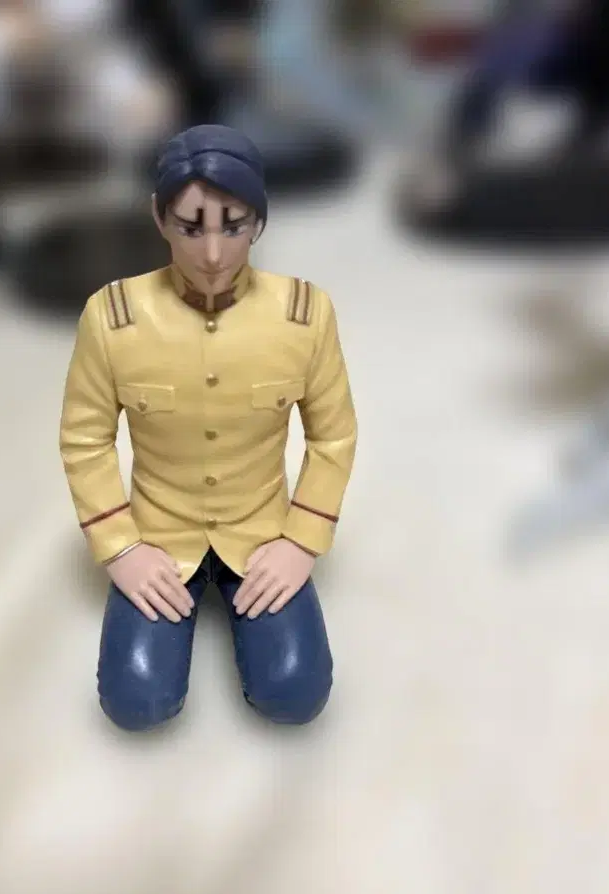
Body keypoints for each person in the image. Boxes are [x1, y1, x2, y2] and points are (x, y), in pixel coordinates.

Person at [59, 124, 358, 731]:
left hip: (262, 531)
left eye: (235, 225)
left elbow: (333, 436)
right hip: (159, 536)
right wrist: (122, 548)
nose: (215, 253)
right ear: (159, 217)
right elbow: (85, 439)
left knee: (295, 694)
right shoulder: (112, 319)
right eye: (192, 227)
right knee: (136, 700)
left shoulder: (304, 316)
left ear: (260, 221)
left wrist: (300, 541)